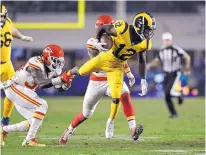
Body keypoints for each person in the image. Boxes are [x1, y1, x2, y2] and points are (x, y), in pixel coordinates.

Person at [60, 12, 156, 141]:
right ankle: (69, 130)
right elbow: (96, 49)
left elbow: (121, 55)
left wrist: (129, 72)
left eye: (111, 26)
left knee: (124, 95)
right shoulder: (94, 41)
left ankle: (132, 128)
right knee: (86, 113)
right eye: (108, 27)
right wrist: (98, 43)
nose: (111, 29)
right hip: (97, 79)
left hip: (113, 73)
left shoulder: (121, 36)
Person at [0, 44, 69, 147]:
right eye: (55, 61)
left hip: (22, 91)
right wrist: (60, 79)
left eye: (59, 62)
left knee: (35, 122)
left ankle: (4, 129)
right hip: (14, 87)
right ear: (47, 57)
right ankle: (29, 140)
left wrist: (64, 86)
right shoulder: (35, 62)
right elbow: (42, 83)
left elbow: (56, 87)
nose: (57, 64)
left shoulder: (51, 69)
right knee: (42, 105)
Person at [1, 4, 33, 126]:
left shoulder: (8, 21)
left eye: (3, 16)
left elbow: (11, 30)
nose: (1, 19)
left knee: (11, 92)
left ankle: (5, 118)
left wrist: (22, 37)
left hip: (7, 63)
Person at [147, 32, 191, 118]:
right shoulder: (162, 51)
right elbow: (157, 61)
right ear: (163, 41)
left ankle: (179, 95)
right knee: (166, 95)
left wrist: (187, 69)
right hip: (166, 74)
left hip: (175, 73)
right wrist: (149, 65)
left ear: (171, 40)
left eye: (168, 40)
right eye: (165, 40)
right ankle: (174, 113)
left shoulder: (176, 49)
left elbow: (187, 57)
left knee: (168, 92)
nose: (167, 42)